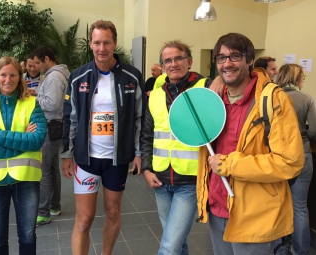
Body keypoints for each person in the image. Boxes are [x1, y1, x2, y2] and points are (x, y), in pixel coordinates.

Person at [196, 33, 305, 255]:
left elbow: (289, 162)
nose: (227, 63)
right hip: (217, 207)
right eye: (221, 57)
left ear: (250, 60)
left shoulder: (273, 100)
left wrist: (230, 165)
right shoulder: (215, 100)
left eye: (235, 56)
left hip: (255, 214)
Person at [61, 20, 145, 255]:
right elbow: (71, 118)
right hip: (87, 159)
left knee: (113, 212)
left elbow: (140, 118)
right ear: (90, 44)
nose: (102, 48)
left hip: (116, 159)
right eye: (97, 42)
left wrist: (138, 153)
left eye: (106, 42)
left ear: (114, 43)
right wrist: (67, 155)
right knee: (85, 219)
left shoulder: (132, 76)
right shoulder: (78, 77)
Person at [0, 56, 47, 255]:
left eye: (13, 75)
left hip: (26, 180)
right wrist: (22, 142)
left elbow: (37, 140)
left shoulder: (31, 103)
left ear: (19, 77)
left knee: (28, 236)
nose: (8, 80)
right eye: (3, 75)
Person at [141, 40, 211, 255]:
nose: (173, 64)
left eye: (178, 58)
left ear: (189, 61)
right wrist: (146, 168)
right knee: (177, 241)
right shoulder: (157, 93)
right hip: (161, 179)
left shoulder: (206, 88)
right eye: (167, 60)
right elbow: (147, 134)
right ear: (162, 66)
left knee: (169, 246)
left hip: (190, 180)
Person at [275, 64, 316, 255]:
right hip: (302, 154)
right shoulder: (306, 97)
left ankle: (278, 246)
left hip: (278, 156)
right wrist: (304, 134)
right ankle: (300, 250)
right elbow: (315, 130)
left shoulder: (273, 96)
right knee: (300, 206)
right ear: (297, 77)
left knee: (277, 203)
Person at [33, 46, 70, 226]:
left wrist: (34, 99)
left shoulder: (54, 77)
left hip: (50, 126)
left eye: (38, 63)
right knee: (53, 167)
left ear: (47, 59)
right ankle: (54, 206)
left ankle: (43, 211)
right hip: (55, 126)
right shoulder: (58, 75)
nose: (37, 67)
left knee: (44, 170)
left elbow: (53, 104)